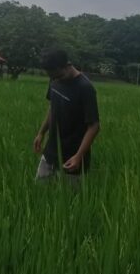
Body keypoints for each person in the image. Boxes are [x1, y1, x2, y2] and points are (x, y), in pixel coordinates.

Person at [32, 49, 100, 182]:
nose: (56, 80)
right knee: (39, 189)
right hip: (50, 151)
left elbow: (94, 126)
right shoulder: (54, 78)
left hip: (72, 156)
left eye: (59, 76)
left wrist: (79, 156)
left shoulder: (85, 88)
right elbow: (53, 107)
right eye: (52, 77)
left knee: (69, 194)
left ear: (67, 65)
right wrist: (41, 133)